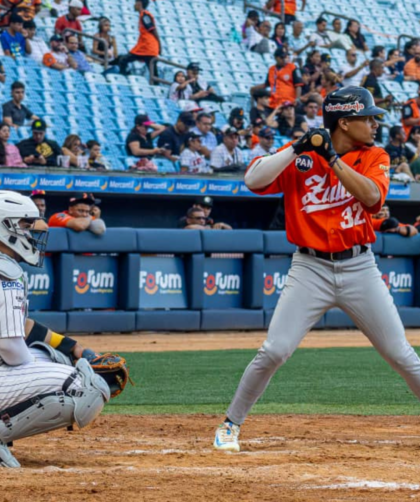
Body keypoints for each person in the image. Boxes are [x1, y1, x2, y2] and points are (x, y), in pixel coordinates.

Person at [213, 85, 420, 453]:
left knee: (400, 353)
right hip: (309, 267)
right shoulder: (302, 156)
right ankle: (231, 424)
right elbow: (253, 180)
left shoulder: (375, 155)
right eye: (367, 118)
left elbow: (373, 197)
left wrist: (332, 159)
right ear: (344, 122)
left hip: (359, 266)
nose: (374, 124)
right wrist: (297, 148)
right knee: (275, 350)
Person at [0, 191, 111, 469]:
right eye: (24, 225)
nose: (30, 233)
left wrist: (70, 348)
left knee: (54, 357)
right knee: (83, 386)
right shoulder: (6, 273)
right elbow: (12, 350)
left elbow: (21, 328)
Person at [118, 0, 160, 77]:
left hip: (147, 47)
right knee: (153, 74)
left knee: (123, 60)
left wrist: (160, 46)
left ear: (139, 3)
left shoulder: (145, 15)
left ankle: (124, 76)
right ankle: (126, 76)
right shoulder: (143, 15)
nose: (134, 5)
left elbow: (153, 30)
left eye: (135, 3)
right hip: (147, 47)